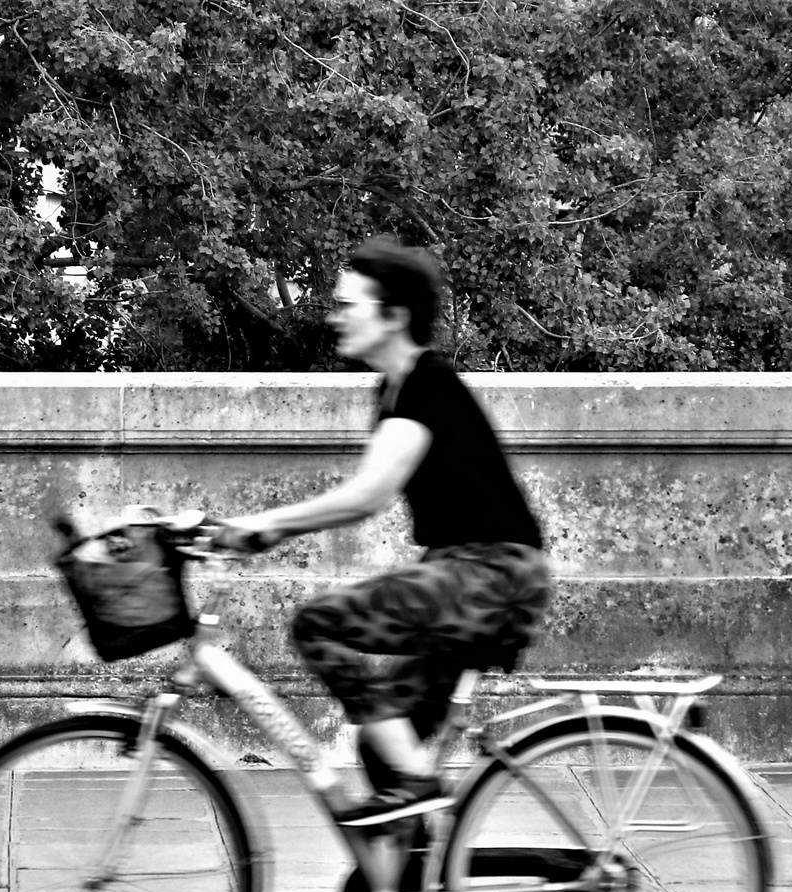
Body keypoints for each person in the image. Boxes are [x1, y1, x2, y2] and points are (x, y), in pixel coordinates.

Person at [217, 234, 550, 847]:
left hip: (490, 573)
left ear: (394, 316)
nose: (333, 316)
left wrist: (267, 526)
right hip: (472, 573)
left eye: (349, 305)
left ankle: (419, 791)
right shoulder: (396, 388)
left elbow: (369, 493)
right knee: (381, 744)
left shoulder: (427, 385)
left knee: (319, 625)